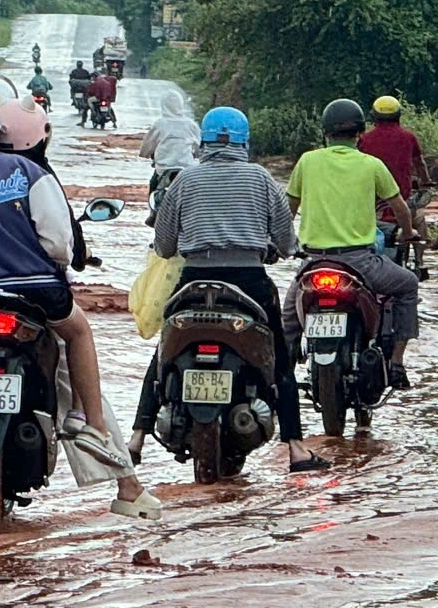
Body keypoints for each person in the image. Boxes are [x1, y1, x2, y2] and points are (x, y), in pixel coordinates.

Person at [0, 96, 160, 519]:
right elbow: (59, 246)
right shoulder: (34, 173)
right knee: (75, 352)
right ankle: (112, 457)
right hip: (35, 299)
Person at [132, 106, 324, 473]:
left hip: (192, 283)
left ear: (203, 142)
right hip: (249, 282)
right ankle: (297, 449)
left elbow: (166, 245)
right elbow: (285, 241)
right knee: (280, 361)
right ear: (243, 142)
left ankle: (137, 438)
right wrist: (279, 247)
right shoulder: (262, 179)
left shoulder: (184, 182)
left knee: (163, 356)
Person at [286, 98, 424, 389]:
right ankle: (397, 364)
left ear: (325, 133)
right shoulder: (371, 165)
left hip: (313, 261)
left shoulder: (307, 161)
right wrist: (408, 232)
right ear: (360, 134)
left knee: (288, 318)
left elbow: (289, 210)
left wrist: (284, 242)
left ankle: (282, 377)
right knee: (408, 284)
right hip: (361, 263)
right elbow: (399, 206)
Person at [357, 96, 425, 205]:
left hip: (373, 200)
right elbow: (420, 163)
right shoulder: (409, 137)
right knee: (418, 218)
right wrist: (426, 182)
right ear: (398, 115)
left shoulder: (364, 139)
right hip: (403, 199)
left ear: (374, 116)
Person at [139, 108, 199, 209]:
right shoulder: (190, 124)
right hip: (187, 168)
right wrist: (197, 154)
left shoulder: (160, 124)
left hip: (163, 169)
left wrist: (144, 153)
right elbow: (198, 144)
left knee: (153, 184)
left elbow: (148, 143)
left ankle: (152, 212)